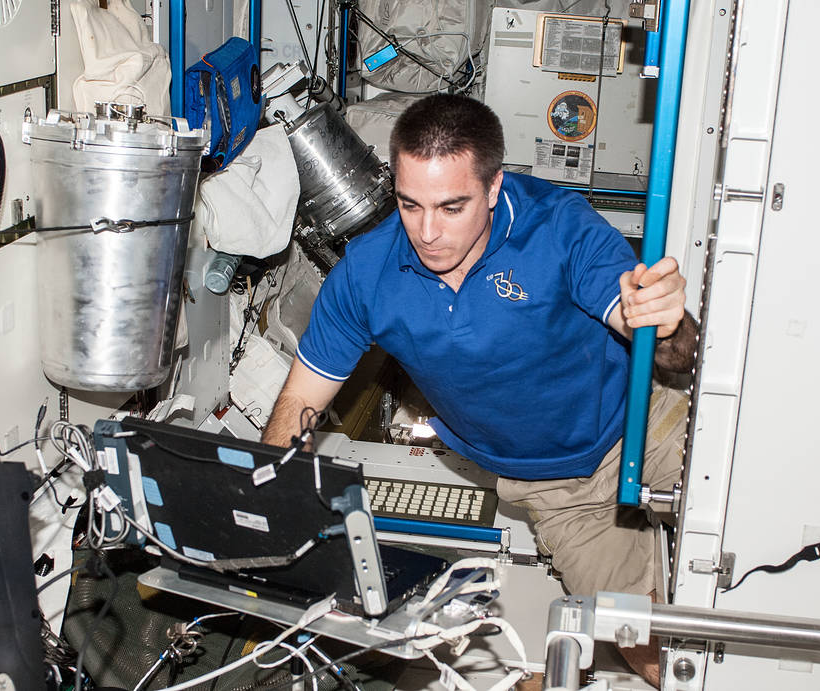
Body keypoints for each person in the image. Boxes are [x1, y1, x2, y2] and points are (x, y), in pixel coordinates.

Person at [262, 94, 696, 686]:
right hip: (557, 490)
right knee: (659, 657)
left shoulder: (558, 226)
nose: (428, 232)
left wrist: (666, 320)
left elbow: (648, 330)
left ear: (494, 189)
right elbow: (301, 399)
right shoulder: (366, 273)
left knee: (753, 566)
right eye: (409, 205)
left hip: (649, 428)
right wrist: (273, 508)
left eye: (452, 206)